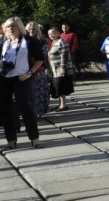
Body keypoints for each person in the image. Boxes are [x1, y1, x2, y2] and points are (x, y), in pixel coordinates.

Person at [1, 17, 45, 151]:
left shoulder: (29, 41)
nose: (11, 29)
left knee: (25, 107)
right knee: (5, 109)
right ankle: (11, 140)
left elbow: (40, 59)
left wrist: (30, 73)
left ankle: (34, 139)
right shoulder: (3, 41)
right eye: (8, 26)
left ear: (20, 27)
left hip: (23, 78)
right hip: (4, 79)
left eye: (14, 26)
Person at [25, 21, 50, 116]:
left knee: (38, 92)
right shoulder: (23, 39)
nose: (31, 30)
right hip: (25, 70)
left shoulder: (42, 40)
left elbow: (42, 56)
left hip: (38, 69)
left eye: (34, 29)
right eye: (29, 29)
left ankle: (37, 112)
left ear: (37, 30)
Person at [47, 28, 75, 111]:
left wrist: (63, 67)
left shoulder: (61, 41)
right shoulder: (53, 42)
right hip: (54, 69)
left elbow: (64, 55)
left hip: (61, 69)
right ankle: (60, 104)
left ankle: (63, 105)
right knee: (57, 86)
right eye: (49, 34)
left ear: (58, 33)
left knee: (60, 86)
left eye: (53, 33)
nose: (51, 35)